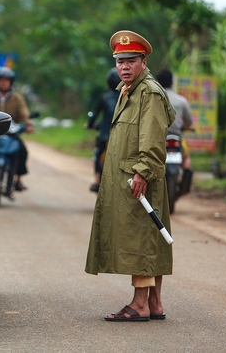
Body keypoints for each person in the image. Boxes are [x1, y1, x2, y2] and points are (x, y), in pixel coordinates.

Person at [86, 30, 176, 321]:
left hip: (139, 177)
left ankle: (140, 305)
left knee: (142, 237)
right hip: (133, 176)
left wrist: (143, 172)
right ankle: (155, 303)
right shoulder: (129, 90)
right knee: (151, 235)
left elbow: (152, 138)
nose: (124, 67)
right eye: (120, 61)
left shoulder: (148, 91)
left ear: (143, 61)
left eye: (130, 61)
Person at [0, 67, 34, 191]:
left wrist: (29, 124)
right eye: (1, 80)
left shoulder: (17, 98)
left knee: (22, 151)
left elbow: (23, 112)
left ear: (11, 82)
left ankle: (18, 180)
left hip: (12, 131)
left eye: (7, 80)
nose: (4, 82)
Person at [156, 69, 194, 195]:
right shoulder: (182, 100)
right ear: (172, 83)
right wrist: (188, 127)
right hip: (177, 137)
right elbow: (188, 122)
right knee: (186, 157)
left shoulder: (154, 99)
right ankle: (187, 176)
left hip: (158, 138)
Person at [86, 68, 120, 192]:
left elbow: (94, 114)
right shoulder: (127, 97)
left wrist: (90, 124)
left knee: (97, 154)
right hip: (122, 137)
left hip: (105, 136)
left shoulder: (104, 98)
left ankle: (97, 180)